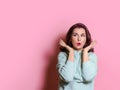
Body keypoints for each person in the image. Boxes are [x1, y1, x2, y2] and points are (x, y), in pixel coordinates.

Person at [56, 23, 98, 90]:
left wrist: (85, 51)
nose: (79, 39)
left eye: (82, 35)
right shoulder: (63, 55)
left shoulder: (92, 56)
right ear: (70, 38)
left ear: (86, 38)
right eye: (75, 35)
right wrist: (71, 52)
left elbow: (88, 77)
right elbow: (67, 77)